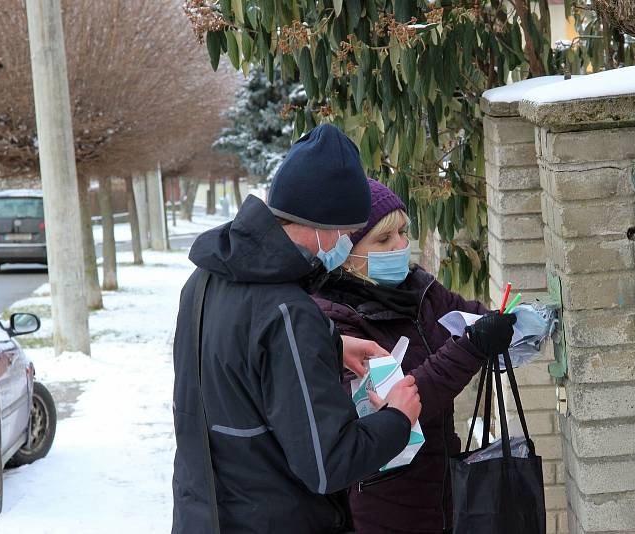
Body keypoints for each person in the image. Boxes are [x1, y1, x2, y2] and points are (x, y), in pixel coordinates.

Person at [171, 124, 422, 534]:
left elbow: (238, 367)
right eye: (343, 232)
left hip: (205, 515)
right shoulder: (289, 315)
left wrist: (330, 343)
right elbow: (328, 464)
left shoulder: (205, 280)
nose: (342, 243)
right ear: (321, 224)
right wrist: (397, 418)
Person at [313, 179, 517, 534]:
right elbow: (398, 401)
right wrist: (471, 347)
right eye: (384, 239)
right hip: (383, 505)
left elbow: (472, 316)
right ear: (346, 254)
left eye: (403, 233)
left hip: (446, 490)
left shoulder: (419, 289)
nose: (401, 246)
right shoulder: (333, 319)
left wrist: (515, 322)